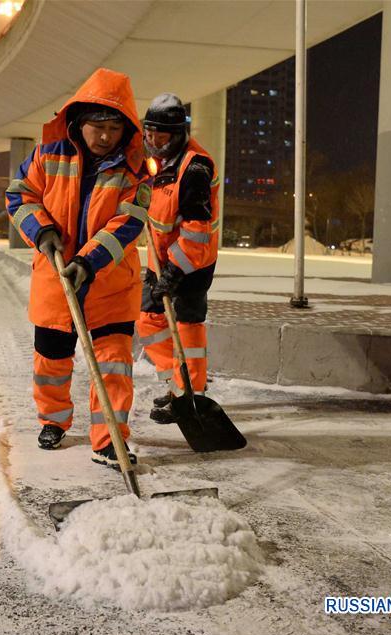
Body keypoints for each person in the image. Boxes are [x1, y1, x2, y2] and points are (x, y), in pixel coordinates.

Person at [5, 68, 151, 469]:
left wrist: (89, 261)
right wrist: (42, 230)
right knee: (50, 362)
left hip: (109, 284)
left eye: (115, 128)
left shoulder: (135, 171)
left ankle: (109, 441)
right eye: (98, 126)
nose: (106, 136)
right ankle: (53, 421)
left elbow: (128, 223)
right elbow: (19, 196)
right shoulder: (47, 155)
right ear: (78, 121)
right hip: (55, 279)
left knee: (113, 366)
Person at [136, 93, 220, 423]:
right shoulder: (157, 159)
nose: (154, 141)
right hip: (162, 260)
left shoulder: (195, 167)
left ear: (178, 134)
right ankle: (178, 381)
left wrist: (174, 273)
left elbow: (197, 232)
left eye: (161, 135)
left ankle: (189, 394)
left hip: (192, 262)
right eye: (149, 133)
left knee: (187, 325)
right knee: (147, 317)